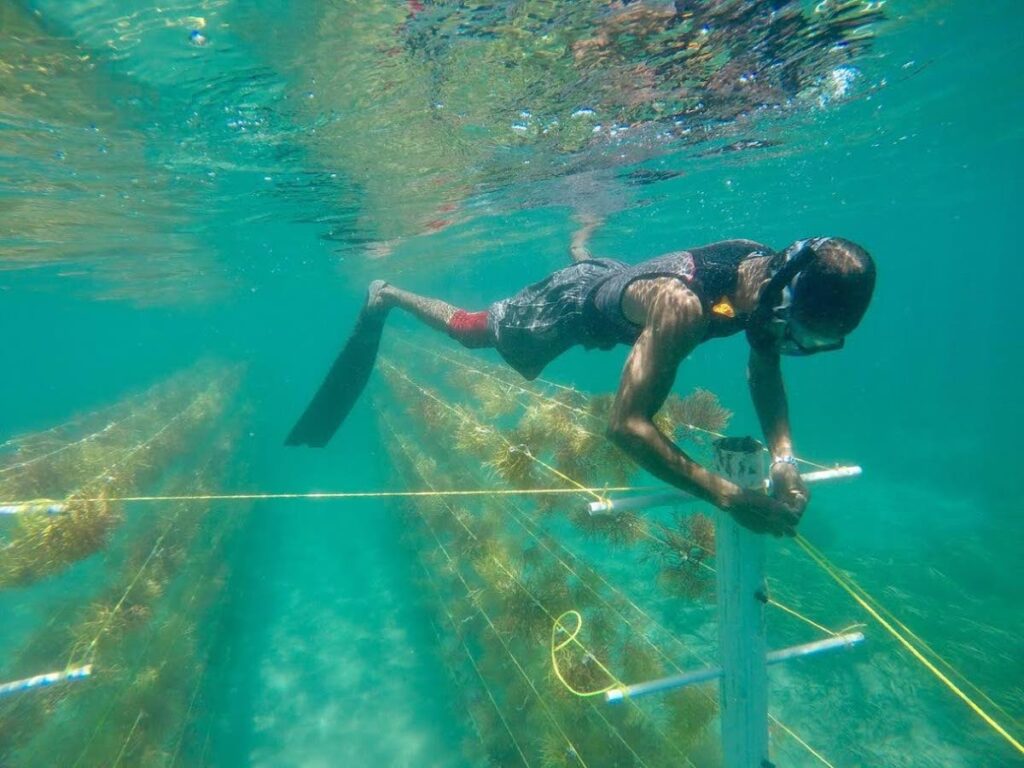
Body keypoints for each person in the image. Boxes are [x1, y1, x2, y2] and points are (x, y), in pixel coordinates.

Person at [287, 236, 875, 537]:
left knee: (604, 277)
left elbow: (763, 364)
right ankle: (387, 292)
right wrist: (725, 494)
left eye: (819, 343)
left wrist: (784, 459)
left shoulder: (767, 276)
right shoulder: (683, 309)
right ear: (782, 293)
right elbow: (626, 425)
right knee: (473, 331)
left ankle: (584, 250)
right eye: (799, 330)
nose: (793, 344)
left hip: (615, 293)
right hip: (569, 307)